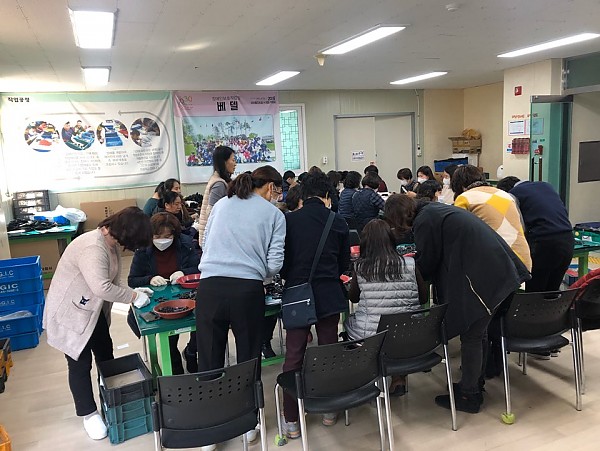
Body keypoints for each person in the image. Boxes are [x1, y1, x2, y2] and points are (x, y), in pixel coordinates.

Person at [401, 198, 530, 413]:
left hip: (487, 276)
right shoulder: (439, 211)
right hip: (501, 272)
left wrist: (408, 266)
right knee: (479, 334)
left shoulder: (425, 218)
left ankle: (469, 395)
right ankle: (474, 384)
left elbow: (428, 259)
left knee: (472, 335)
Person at [43, 207, 153, 440]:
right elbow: (101, 287)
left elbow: (112, 282)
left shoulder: (110, 243)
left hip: (91, 311)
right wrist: (133, 297)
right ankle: (88, 414)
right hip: (71, 314)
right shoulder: (93, 247)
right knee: (80, 363)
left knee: (105, 353)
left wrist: (134, 291)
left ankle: (109, 397)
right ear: (127, 234)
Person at [195, 166, 286, 446]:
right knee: (248, 358)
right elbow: (275, 264)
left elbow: (204, 242)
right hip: (247, 290)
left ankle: (210, 430)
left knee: (209, 359)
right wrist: (256, 270)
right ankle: (249, 422)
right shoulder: (274, 215)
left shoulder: (221, 205)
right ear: (270, 187)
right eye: (279, 190)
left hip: (209, 288)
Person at [280, 171, 350, 437]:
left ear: (304, 194)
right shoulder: (338, 221)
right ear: (327, 195)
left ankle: (292, 420)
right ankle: (329, 410)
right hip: (329, 294)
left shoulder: (289, 221)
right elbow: (343, 264)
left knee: (293, 355)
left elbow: (283, 264)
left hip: (297, 295)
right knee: (328, 351)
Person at [344, 219, 427, 395]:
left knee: (350, 325)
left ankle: (367, 377)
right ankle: (398, 379)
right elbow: (423, 298)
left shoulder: (361, 268)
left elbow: (354, 298)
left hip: (372, 336)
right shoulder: (410, 264)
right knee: (398, 331)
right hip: (408, 333)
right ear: (391, 239)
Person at [127, 213, 200, 374]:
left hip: (185, 294)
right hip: (158, 300)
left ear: (175, 235)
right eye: (157, 236)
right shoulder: (143, 249)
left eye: (167, 236)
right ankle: (173, 358)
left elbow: (198, 268)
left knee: (202, 323)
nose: (162, 240)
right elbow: (132, 280)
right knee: (169, 331)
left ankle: (191, 352)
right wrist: (150, 278)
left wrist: (184, 273)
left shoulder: (186, 244)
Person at [497, 176, 574, 292]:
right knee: (552, 291)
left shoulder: (513, 195)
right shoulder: (546, 186)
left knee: (535, 291)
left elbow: (519, 225)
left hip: (544, 242)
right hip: (567, 239)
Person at [452, 165, 532, 271]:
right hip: (523, 260)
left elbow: (457, 234)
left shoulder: (465, 197)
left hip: (498, 261)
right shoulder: (505, 195)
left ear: (460, 186)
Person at [196, 145, 236, 245]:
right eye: (233, 160)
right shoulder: (219, 184)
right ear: (224, 162)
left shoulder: (220, 180)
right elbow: (211, 212)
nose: (235, 164)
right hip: (212, 238)